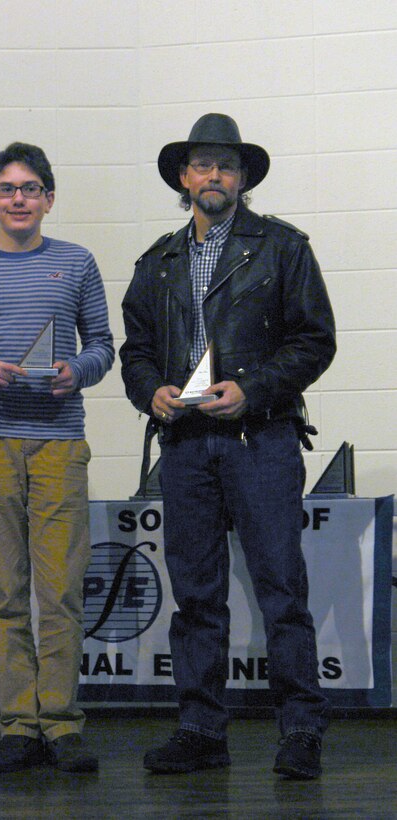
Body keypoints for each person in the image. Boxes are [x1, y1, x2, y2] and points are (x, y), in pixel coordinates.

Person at [120, 113, 336, 780]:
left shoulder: (282, 247)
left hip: (258, 438)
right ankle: (199, 730)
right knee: (195, 595)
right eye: (201, 165)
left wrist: (252, 389)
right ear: (183, 179)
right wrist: (149, 390)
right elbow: (135, 352)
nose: (212, 176)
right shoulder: (156, 261)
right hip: (183, 446)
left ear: (241, 179)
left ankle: (299, 729)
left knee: (280, 589)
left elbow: (313, 340)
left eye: (225, 166)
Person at [0, 143, 114, 773]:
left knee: (60, 591)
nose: (19, 199)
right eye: (7, 189)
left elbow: (103, 346)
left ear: (49, 199)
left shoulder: (77, 262)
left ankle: (61, 724)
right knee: (6, 591)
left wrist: (77, 371)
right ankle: (18, 724)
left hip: (60, 442)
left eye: (31, 188)